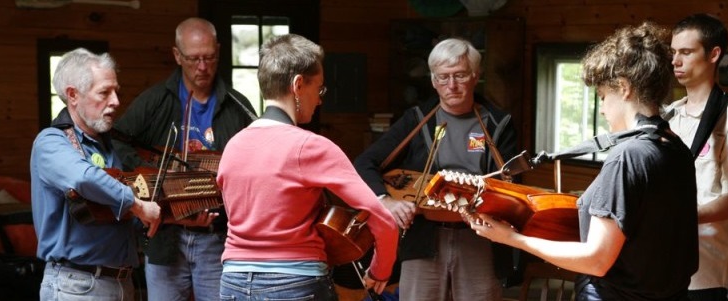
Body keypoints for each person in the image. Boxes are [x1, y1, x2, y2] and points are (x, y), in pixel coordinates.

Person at [471, 21, 699, 301]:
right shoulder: (676, 149)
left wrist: (511, 239)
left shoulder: (627, 157)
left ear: (624, 88)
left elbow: (596, 260)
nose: (602, 109)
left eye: (603, 96)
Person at [215, 33, 398, 300]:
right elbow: (382, 218)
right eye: (319, 88)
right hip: (295, 282)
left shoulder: (233, 146)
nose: (320, 99)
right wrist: (381, 270)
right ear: (298, 85)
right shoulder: (310, 146)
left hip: (233, 282)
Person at [353, 37, 519, 300]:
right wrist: (386, 201)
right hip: (423, 239)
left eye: (460, 75)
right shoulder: (416, 120)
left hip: (479, 238)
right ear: (433, 81)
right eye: (443, 77)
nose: (451, 85)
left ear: (476, 76)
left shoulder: (498, 124)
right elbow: (364, 163)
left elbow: (513, 185)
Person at [112, 17, 256, 301]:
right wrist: (155, 175)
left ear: (219, 51)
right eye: (193, 59)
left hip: (218, 238)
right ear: (177, 56)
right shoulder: (155, 101)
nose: (202, 67)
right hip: (166, 237)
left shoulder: (238, 106)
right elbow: (117, 140)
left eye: (209, 58)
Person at [31, 48, 162, 300]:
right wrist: (136, 205)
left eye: (116, 92)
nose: (115, 101)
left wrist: (177, 216)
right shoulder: (51, 143)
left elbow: (119, 217)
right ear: (73, 95)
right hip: (76, 286)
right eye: (104, 92)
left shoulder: (108, 145)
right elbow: (84, 178)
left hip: (121, 283)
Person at [668, 13, 728, 301]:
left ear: (714, 54)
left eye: (686, 52)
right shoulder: (668, 115)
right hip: (660, 265)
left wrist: (674, 218)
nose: (675, 61)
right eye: (673, 52)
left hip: (704, 274)